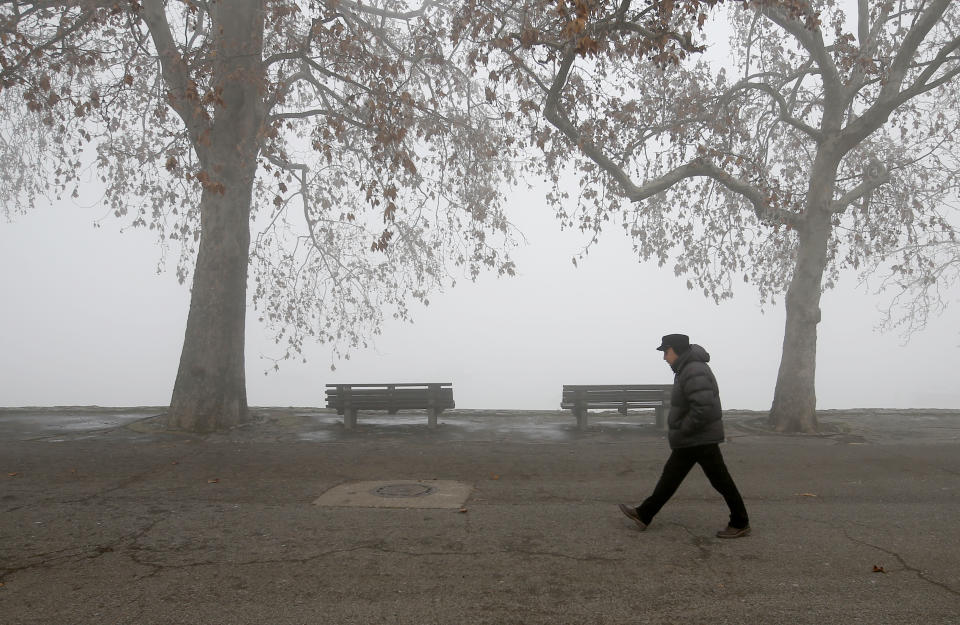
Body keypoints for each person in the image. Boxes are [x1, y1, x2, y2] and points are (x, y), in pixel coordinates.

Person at [619, 333, 750, 538]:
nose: (664, 357)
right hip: (695, 438)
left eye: (666, 351)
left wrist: (683, 429)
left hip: (699, 437)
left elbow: (703, 407)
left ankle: (740, 522)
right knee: (671, 477)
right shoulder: (686, 368)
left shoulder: (693, 369)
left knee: (720, 481)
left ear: (676, 350)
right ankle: (644, 514)